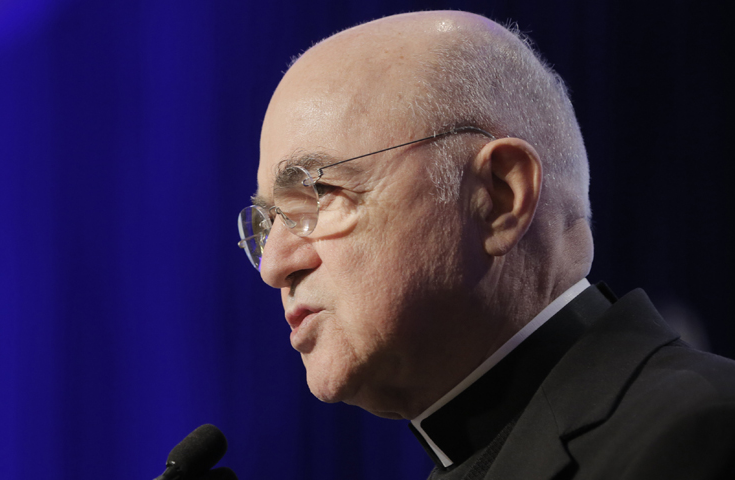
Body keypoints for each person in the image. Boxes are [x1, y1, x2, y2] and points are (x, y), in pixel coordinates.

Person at [236, 10, 735, 480]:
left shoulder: (699, 435)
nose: (275, 265)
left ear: (499, 198)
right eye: (269, 221)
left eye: (318, 194)